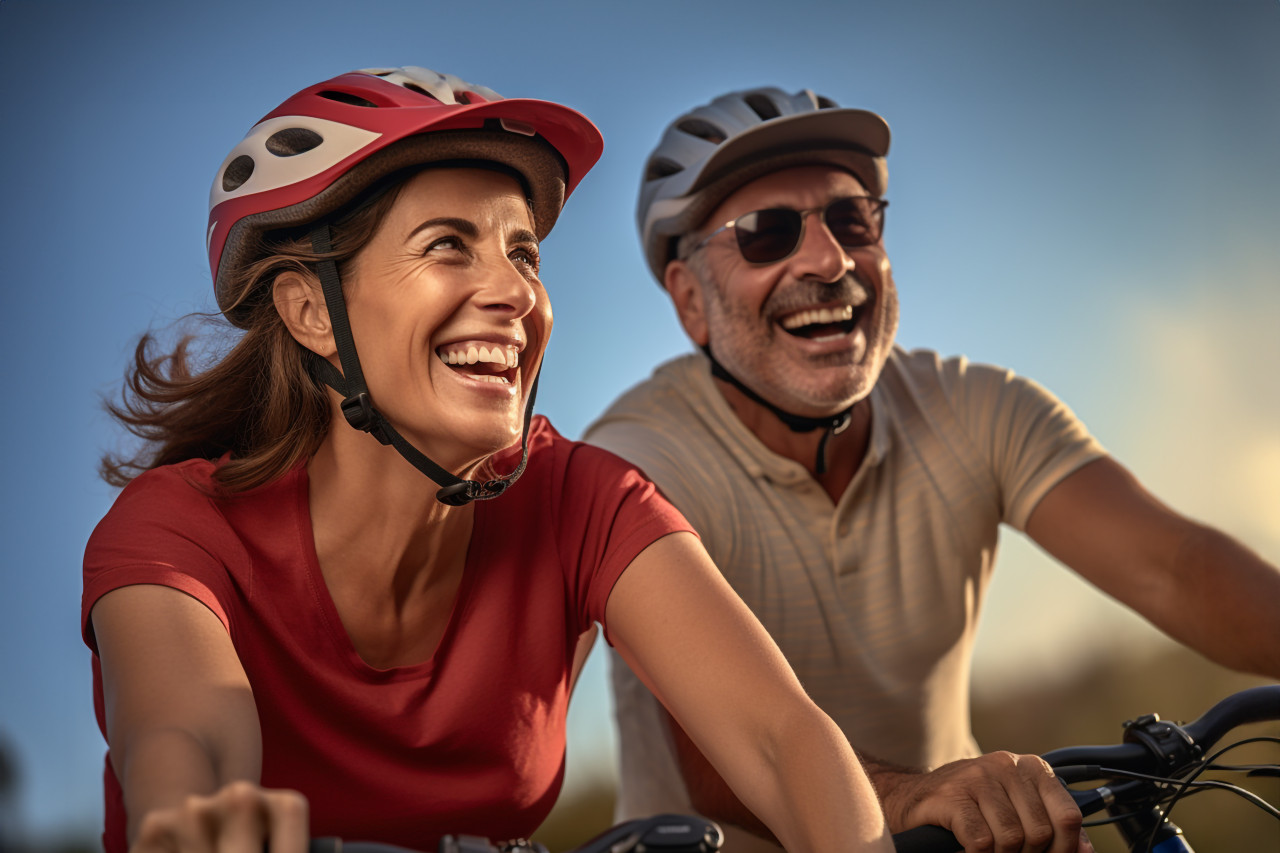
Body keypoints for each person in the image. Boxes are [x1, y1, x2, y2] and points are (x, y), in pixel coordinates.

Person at [82, 67, 896, 853]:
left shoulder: (579, 497)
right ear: (310, 312)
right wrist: (194, 817)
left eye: (525, 253)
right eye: (448, 245)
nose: (516, 293)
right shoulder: (178, 529)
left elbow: (780, 738)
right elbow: (187, 741)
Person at [584, 84, 1280, 853]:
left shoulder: (977, 407)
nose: (829, 258)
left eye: (851, 218)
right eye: (765, 233)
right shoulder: (637, 461)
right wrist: (911, 794)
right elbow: (734, 753)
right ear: (689, 299)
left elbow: (1175, 566)